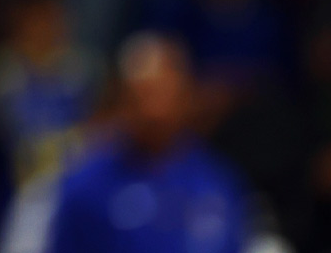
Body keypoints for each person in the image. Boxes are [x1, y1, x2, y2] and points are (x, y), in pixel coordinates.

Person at [45, 33, 249, 253]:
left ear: (186, 99)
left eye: (165, 95)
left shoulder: (219, 183)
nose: (154, 112)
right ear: (122, 101)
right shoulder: (85, 187)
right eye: (142, 96)